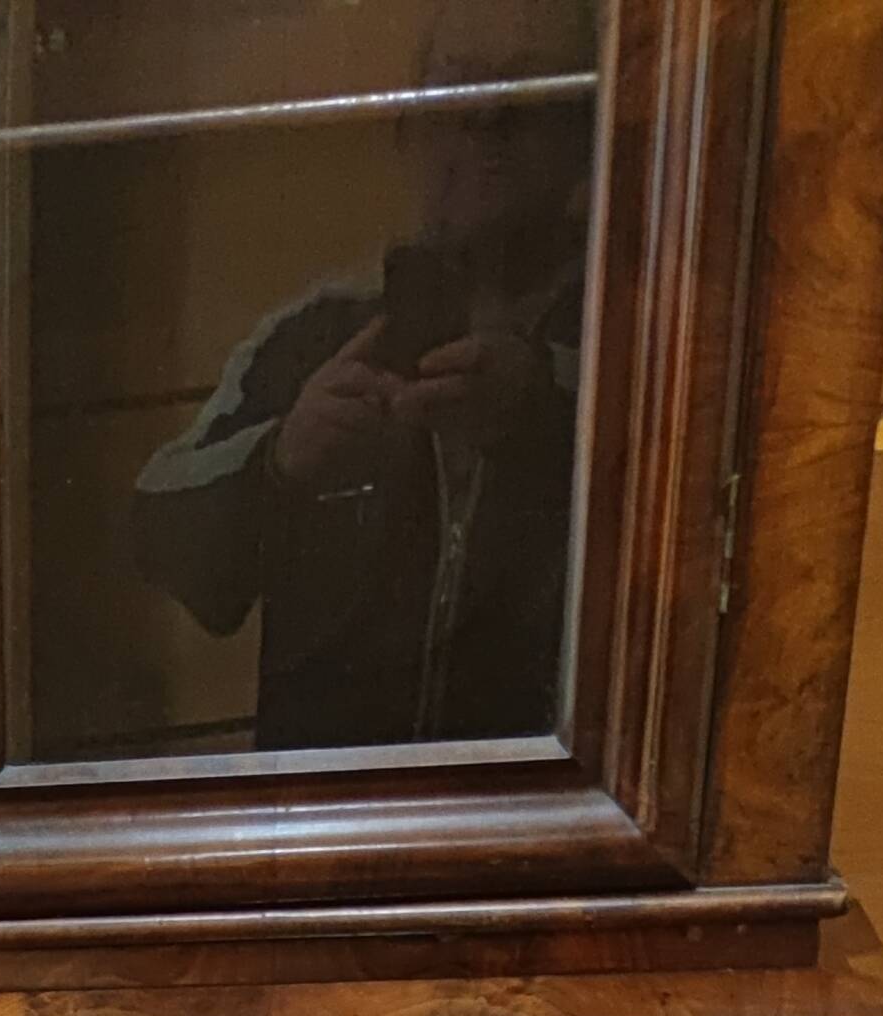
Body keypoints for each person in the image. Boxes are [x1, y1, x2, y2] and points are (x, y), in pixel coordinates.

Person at [131, 4, 597, 751]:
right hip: (321, 829)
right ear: (408, 129)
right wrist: (282, 463)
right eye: (459, 88)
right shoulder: (313, 333)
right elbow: (154, 530)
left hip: (550, 817)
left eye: (530, 91)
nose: (485, 120)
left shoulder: (631, 336)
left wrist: (546, 419)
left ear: (586, 135)